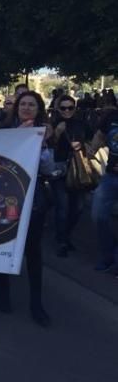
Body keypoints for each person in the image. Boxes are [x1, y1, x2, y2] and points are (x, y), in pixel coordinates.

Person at [0, 91, 53, 326]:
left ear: (39, 109)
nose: (27, 108)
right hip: (9, 192)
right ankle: (3, 292)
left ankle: (36, 302)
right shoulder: (5, 129)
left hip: (34, 193)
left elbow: (49, 167)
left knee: (33, 249)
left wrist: (44, 144)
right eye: (23, 104)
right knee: (4, 241)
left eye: (32, 105)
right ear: (16, 107)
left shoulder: (44, 133)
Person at [49, 94, 91, 256]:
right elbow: (48, 146)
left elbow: (92, 139)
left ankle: (66, 234)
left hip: (78, 168)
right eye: (63, 108)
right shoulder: (53, 124)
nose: (67, 111)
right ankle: (62, 241)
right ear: (58, 109)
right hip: (59, 169)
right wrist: (58, 133)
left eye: (70, 107)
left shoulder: (82, 124)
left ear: (75, 108)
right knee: (63, 206)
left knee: (78, 207)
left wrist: (83, 146)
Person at [90, 98, 118, 273]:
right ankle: (109, 255)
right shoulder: (112, 116)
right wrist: (91, 150)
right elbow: (100, 136)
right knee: (98, 216)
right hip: (110, 177)